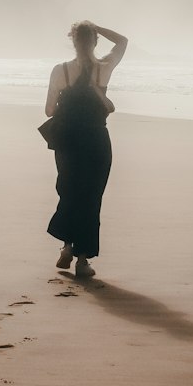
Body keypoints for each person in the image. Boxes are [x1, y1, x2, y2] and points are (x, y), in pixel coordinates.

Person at [44, 20, 128, 278]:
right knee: (91, 198)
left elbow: (48, 110)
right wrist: (97, 27)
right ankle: (82, 261)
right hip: (96, 140)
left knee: (68, 192)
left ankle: (66, 247)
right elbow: (123, 42)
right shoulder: (104, 67)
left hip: (68, 140)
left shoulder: (61, 71)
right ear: (94, 41)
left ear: (72, 40)